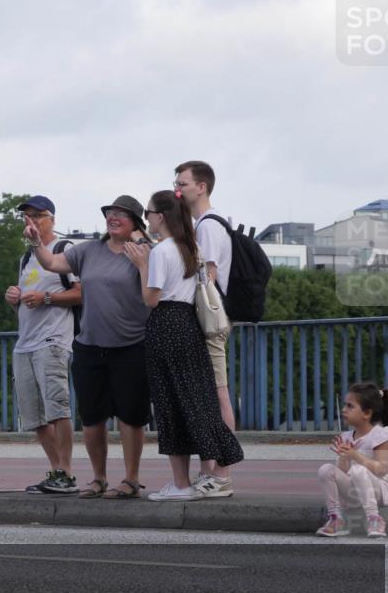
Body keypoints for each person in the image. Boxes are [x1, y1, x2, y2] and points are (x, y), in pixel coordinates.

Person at [25, 195, 151, 500]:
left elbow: (154, 293)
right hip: (90, 345)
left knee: (130, 418)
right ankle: (98, 478)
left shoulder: (145, 252)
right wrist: (34, 243)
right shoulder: (90, 250)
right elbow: (52, 263)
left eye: (122, 214)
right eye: (110, 213)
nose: (114, 217)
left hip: (131, 345)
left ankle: (131, 479)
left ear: (135, 221)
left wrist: (143, 257)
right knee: (93, 419)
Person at [122, 191, 243, 501]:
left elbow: (151, 299)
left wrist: (141, 265)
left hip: (165, 325)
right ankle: (214, 470)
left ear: (161, 216)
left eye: (148, 212)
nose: (146, 218)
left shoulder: (162, 251)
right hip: (189, 325)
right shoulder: (193, 247)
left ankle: (180, 483)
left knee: (170, 404)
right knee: (197, 399)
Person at [5, 195, 81, 494]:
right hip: (25, 342)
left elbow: (81, 293)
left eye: (39, 215)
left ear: (52, 219)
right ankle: (56, 470)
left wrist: (47, 298)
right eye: (27, 216)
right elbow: (26, 300)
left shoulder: (64, 250)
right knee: (34, 416)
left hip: (53, 339)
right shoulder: (25, 258)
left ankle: (67, 472)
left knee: (57, 408)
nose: (32, 221)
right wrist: (12, 297)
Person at [175, 160, 237, 498]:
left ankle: (223, 472)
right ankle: (209, 469)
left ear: (202, 186)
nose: (178, 189)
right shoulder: (204, 224)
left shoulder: (209, 227)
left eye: (183, 183)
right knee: (209, 395)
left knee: (218, 392)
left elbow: (207, 277)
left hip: (209, 321)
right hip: (209, 319)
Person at [317, 383, 388, 538]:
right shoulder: (346, 437)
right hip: (357, 488)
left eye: (350, 406)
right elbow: (344, 473)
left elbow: (381, 469)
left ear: (367, 413)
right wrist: (344, 456)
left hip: (383, 489)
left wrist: (355, 455)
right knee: (326, 470)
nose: (344, 409)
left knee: (359, 470)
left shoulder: (380, 435)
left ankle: (374, 518)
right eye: (344, 405)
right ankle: (336, 518)